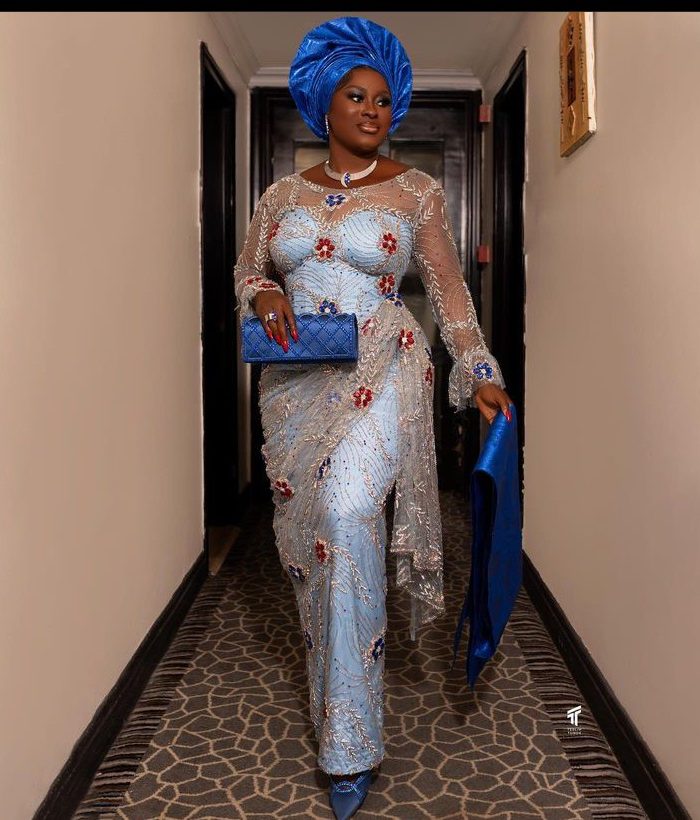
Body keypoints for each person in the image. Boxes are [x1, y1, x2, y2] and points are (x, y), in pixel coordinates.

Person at [233, 16, 513, 819]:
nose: (371, 110)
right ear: (325, 104)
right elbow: (246, 271)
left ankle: (350, 745)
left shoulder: (417, 192)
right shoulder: (280, 196)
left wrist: (481, 371)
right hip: (295, 386)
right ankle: (336, 703)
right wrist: (264, 290)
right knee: (320, 546)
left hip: (383, 371)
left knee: (351, 512)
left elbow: (451, 297)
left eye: (383, 100)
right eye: (356, 96)